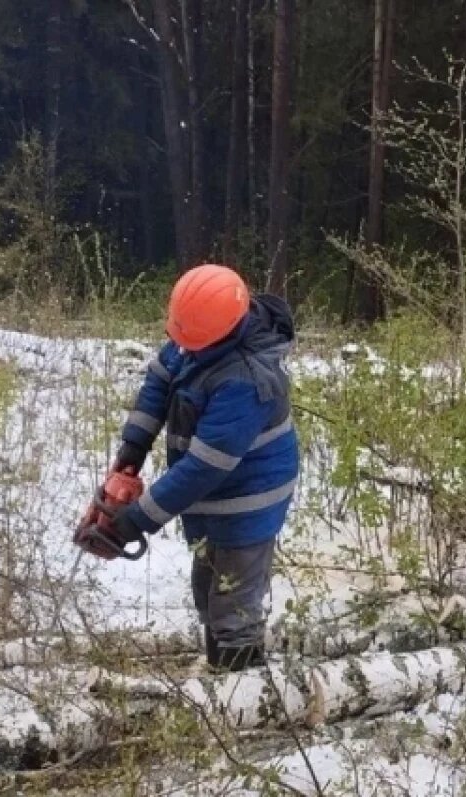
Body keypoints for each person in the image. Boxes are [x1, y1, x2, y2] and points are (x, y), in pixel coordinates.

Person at [107, 264, 299, 672]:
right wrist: (132, 451)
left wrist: (138, 519)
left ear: (224, 330)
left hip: (248, 504)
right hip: (212, 502)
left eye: (190, 342)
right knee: (208, 591)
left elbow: (203, 468)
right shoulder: (198, 335)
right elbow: (160, 380)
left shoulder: (246, 380)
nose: (183, 348)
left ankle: (245, 696)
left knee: (233, 608)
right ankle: (222, 670)